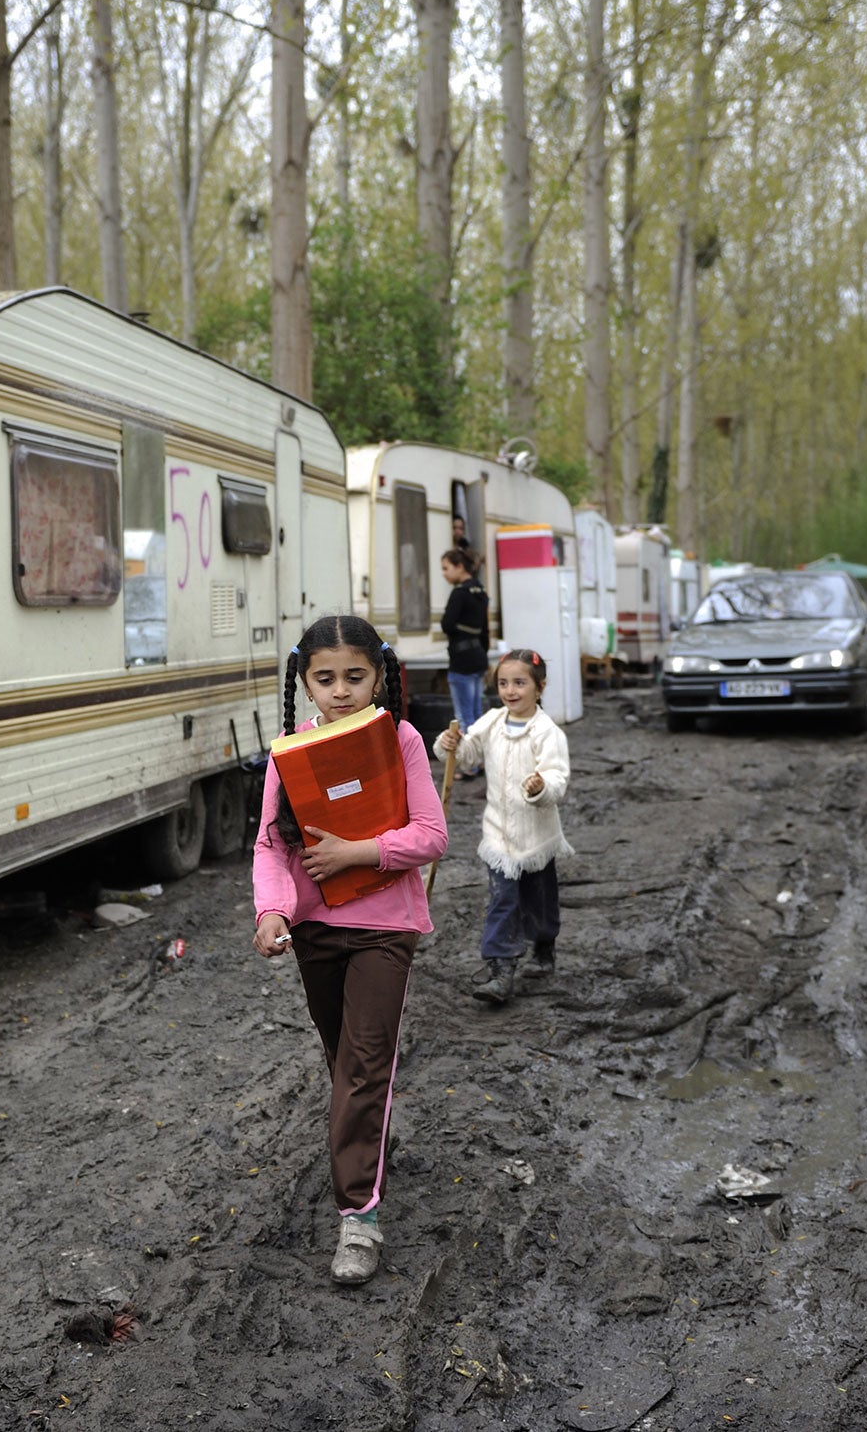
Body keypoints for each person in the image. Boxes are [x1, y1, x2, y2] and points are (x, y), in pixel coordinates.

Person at [251, 615, 449, 1285]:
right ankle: (366, 1138)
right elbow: (271, 846)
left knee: (365, 1065)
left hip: (385, 927)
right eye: (325, 678)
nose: (340, 691)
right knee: (344, 1058)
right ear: (304, 681)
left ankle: (358, 1216)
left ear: (381, 675)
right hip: (313, 931)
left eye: (355, 677)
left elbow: (431, 834)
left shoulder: (402, 739)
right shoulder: (290, 750)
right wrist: (273, 908)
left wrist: (361, 852)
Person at [434, 649, 572, 1006]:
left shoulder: (547, 732)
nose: (510, 691)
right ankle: (501, 969)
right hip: (498, 834)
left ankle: (543, 947)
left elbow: (557, 777)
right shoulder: (492, 721)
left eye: (520, 683)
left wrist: (541, 787)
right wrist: (451, 744)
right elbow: (465, 754)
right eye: (504, 683)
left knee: (539, 901)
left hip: (537, 836)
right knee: (502, 901)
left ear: (539, 688)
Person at [439, 549, 490, 750]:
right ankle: (480, 759)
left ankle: (470, 763)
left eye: (446, 568)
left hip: (461, 661)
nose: (443, 573)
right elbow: (485, 631)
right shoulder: (481, 592)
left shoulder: (459, 593)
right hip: (478, 657)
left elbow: (446, 625)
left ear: (459, 566)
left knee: (464, 715)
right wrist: (484, 658)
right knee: (477, 713)